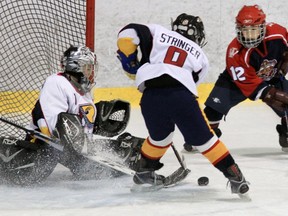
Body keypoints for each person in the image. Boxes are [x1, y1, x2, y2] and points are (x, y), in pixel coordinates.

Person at [116, 13, 249, 196]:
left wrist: (129, 60)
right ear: (198, 36)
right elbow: (189, 84)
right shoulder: (201, 56)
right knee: (205, 140)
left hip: (150, 97)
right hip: (180, 96)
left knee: (160, 138)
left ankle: (144, 172)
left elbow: (127, 33)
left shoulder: (157, 32)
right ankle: (236, 177)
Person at [0, 45, 143, 186]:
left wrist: (100, 120)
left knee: (133, 146)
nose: (90, 70)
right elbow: (54, 124)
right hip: (42, 149)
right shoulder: (56, 82)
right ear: (76, 66)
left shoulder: (83, 90)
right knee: (33, 173)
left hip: (75, 150)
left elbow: (82, 126)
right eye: (87, 66)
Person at [203, 5, 288, 153]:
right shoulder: (235, 51)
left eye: (253, 31)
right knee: (212, 110)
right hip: (236, 82)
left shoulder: (278, 33)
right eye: (245, 31)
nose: (249, 36)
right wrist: (271, 94)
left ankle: (286, 133)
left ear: (263, 27)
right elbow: (250, 85)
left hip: (271, 76)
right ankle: (203, 136)